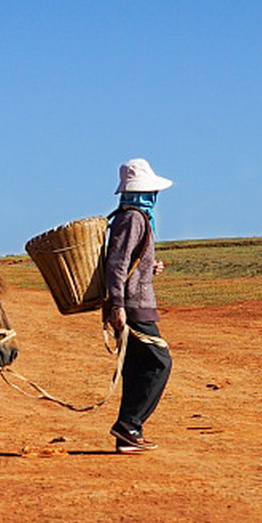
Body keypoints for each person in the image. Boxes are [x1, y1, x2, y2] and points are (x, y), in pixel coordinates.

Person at [102, 157, 174, 453]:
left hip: (134, 301)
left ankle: (128, 434)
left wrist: (148, 266)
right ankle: (129, 425)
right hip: (133, 306)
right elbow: (116, 264)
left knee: (136, 367)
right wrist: (117, 306)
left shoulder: (133, 217)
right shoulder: (133, 218)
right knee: (159, 362)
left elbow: (128, 262)